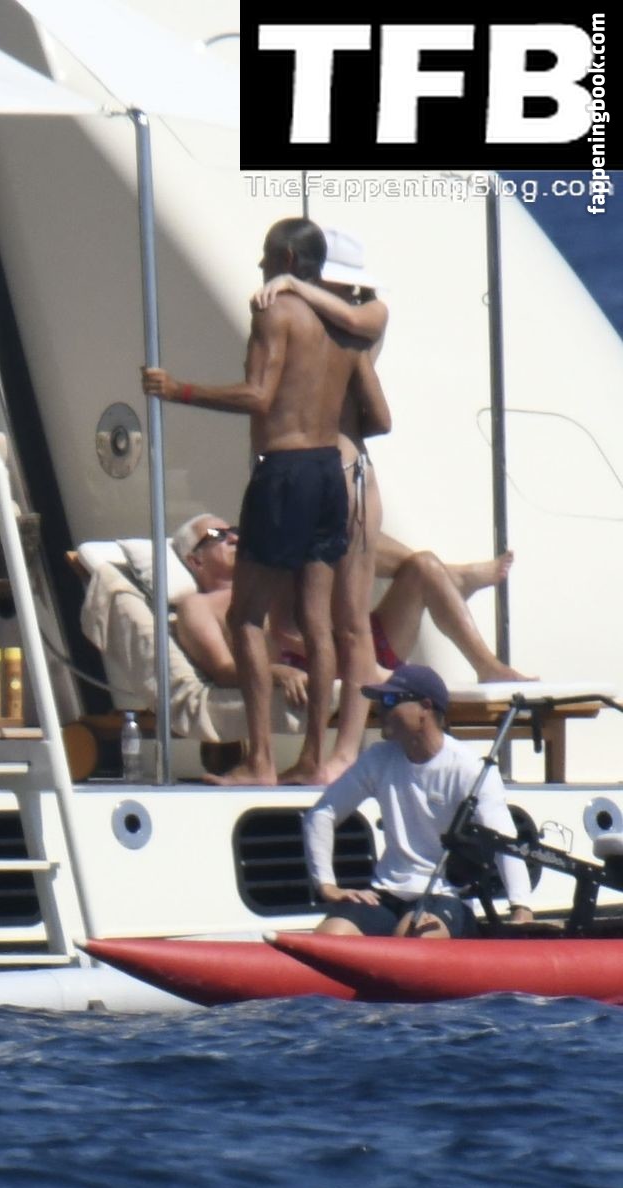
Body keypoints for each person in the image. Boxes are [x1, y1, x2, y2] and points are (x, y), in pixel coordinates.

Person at [142, 217, 388, 786]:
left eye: (266, 256)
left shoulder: (274, 312)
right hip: (330, 472)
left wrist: (177, 389)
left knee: (247, 617)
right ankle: (313, 759)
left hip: (283, 471)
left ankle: (260, 762)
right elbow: (378, 418)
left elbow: (258, 396)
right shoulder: (347, 326)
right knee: (318, 623)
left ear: (287, 261)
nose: (259, 266)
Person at [171, 511, 530, 710]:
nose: (234, 537)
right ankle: (454, 579)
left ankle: (488, 666)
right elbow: (223, 670)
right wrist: (278, 673)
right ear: (194, 560)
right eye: (218, 536)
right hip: (317, 663)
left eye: (234, 530)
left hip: (359, 640)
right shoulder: (196, 607)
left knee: (421, 565)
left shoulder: (268, 572)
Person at [302, 664, 534, 937]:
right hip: (384, 894)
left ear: (425, 707)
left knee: (411, 935)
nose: (381, 709)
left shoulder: (470, 768)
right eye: (380, 700)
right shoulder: (377, 758)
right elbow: (322, 814)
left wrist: (521, 907)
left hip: (446, 896)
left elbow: (503, 839)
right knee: (331, 935)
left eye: (390, 700)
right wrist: (327, 886)